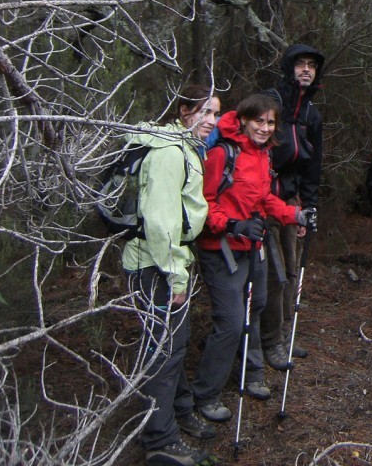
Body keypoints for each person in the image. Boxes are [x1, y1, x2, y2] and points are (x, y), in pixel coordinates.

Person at [191, 94, 316, 423]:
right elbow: (203, 205)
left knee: (256, 306)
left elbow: (265, 200)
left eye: (270, 122)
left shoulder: (262, 155)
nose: (264, 127)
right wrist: (233, 225)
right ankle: (206, 393)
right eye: (258, 120)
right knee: (231, 322)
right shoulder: (222, 154)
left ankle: (252, 372)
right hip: (222, 251)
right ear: (243, 120)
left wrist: (296, 215)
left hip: (253, 246)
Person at [122, 84, 220, 466]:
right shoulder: (167, 152)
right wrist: (176, 277)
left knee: (174, 345)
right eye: (204, 111)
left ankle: (179, 412)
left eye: (215, 114)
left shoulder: (184, 147)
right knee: (163, 352)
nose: (210, 121)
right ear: (183, 110)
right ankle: (160, 440)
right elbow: (161, 222)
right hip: (156, 266)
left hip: (167, 260)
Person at [260, 44, 325, 372]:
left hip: (290, 199)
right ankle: (271, 341)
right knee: (274, 274)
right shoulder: (274, 102)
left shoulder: (312, 113)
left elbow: (313, 165)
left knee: (290, 270)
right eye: (300, 64)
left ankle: (284, 333)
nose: (305, 70)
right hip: (264, 198)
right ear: (290, 68)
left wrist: (307, 207)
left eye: (311, 66)